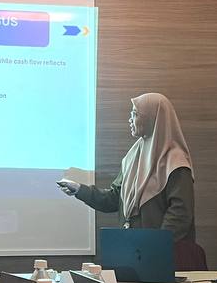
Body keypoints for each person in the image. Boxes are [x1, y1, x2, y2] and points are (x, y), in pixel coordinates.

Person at [57, 92, 196, 242]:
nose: (130, 119)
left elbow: (180, 214)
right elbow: (113, 198)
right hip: (133, 248)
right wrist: (79, 189)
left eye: (135, 114)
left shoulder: (176, 162)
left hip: (162, 251)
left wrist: (157, 245)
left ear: (153, 118)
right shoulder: (133, 157)